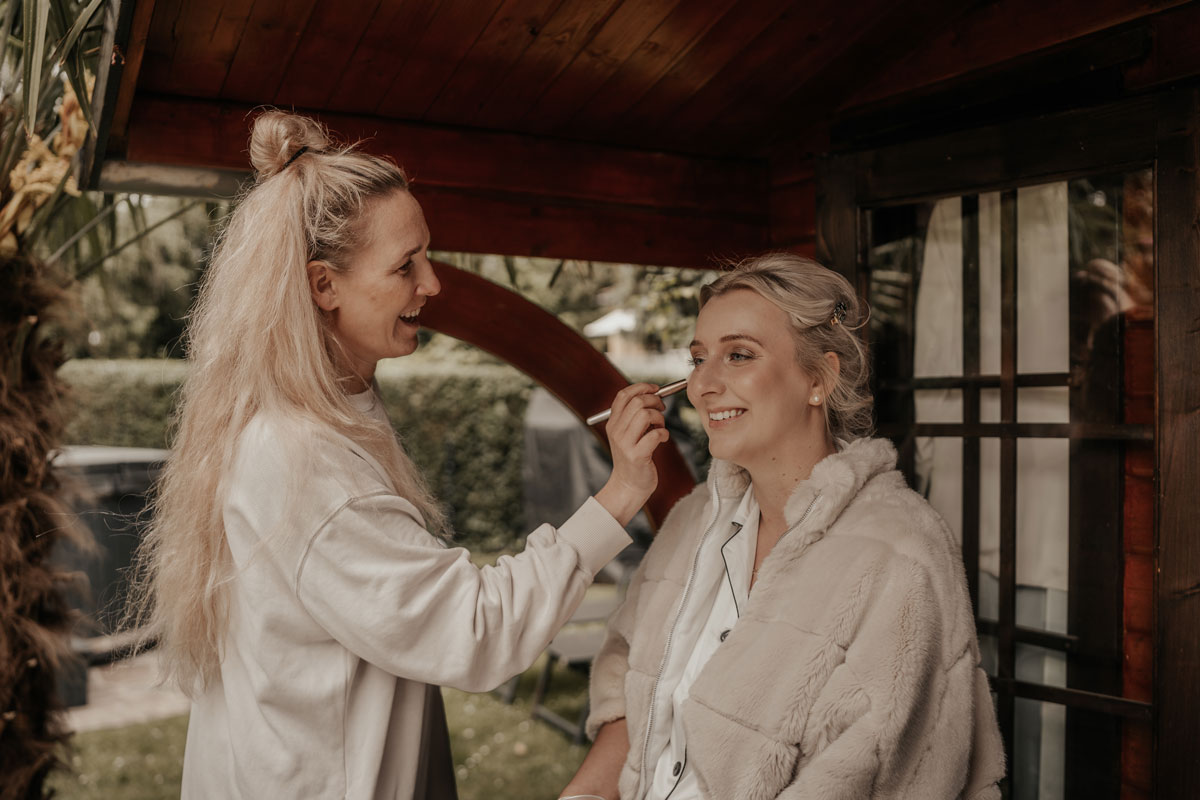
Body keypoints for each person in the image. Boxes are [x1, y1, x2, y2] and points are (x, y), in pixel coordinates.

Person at [127, 111, 670, 799]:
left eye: (426, 256)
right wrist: (621, 493)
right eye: (405, 265)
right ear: (323, 285)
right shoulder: (304, 463)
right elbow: (473, 630)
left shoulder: (329, 405)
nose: (432, 284)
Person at [559, 254, 1006, 800]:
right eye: (697, 359)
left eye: (738, 355)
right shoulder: (692, 520)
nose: (702, 385)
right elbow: (630, 691)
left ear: (819, 378)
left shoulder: (899, 553)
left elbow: (890, 773)